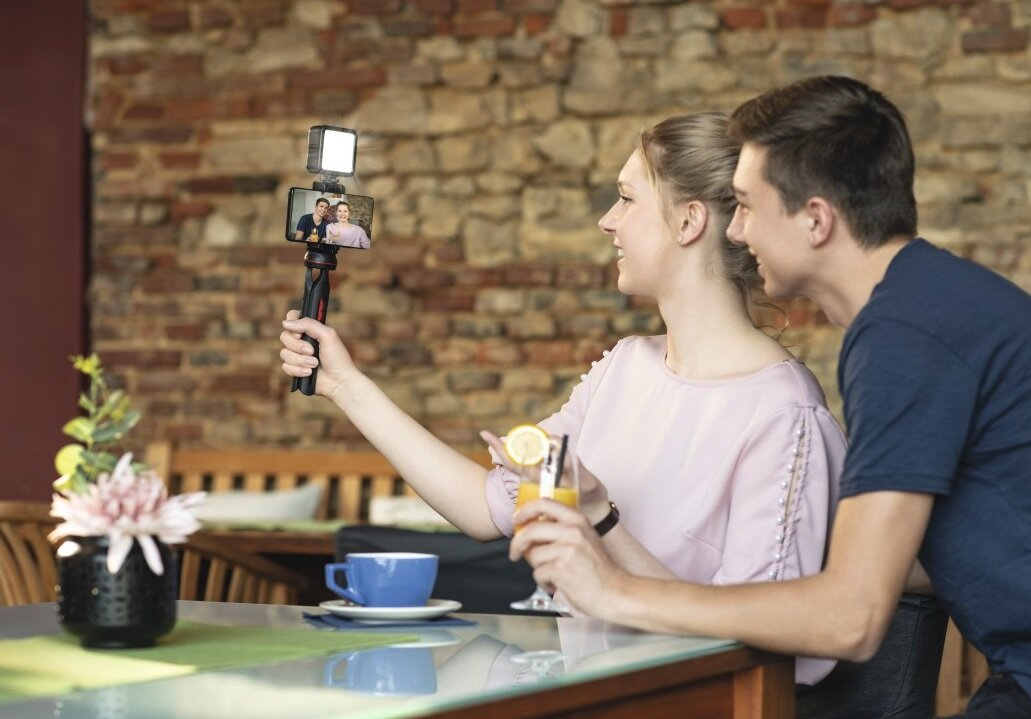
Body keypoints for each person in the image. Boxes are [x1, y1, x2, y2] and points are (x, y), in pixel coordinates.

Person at [510, 76, 1031, 719]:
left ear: (815, 219)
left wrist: (614, 592)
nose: (737, 232)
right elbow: (950, 549)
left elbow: (850, 619)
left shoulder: (905, 335)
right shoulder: (922, 306)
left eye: (746, 206)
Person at [279, 112, 846, 684]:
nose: (608, 221)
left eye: (626, 199)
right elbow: (485, 506)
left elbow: (765, 646)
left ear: (689, 221)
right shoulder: (625, 368)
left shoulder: (783, 415)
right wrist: (347, 387)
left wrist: (600, 524)